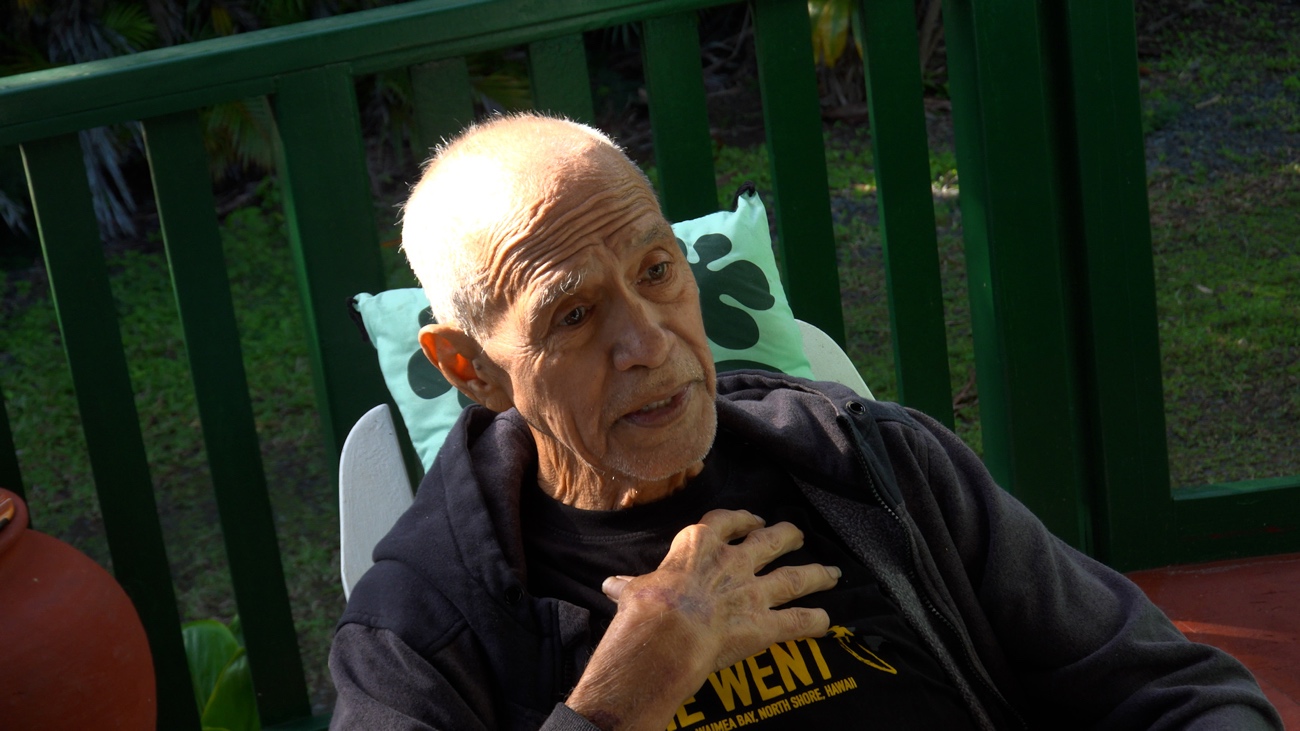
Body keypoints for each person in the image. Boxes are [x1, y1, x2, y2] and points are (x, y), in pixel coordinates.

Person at [329, 113, 1280, 730]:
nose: (649, 342)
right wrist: (616, 704)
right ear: (471, 368)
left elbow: (1177, 690)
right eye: (574, 315)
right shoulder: (418, 628)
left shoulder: (868, 462)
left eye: (657, 272)